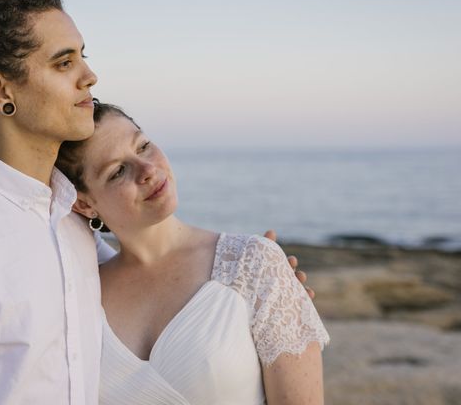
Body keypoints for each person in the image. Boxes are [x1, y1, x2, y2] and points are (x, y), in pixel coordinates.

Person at [0, 0, 315, 404]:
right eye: (64, 63)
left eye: (83, 56)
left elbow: (155, 277)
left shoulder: (72, 222)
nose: (90, 76)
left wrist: (259, 288)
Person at [56, 101, 330, 405]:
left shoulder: (254, 263)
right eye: (118, 171)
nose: (148, 170)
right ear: (84, 204)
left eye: (143, 145)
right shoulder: (79, 294)